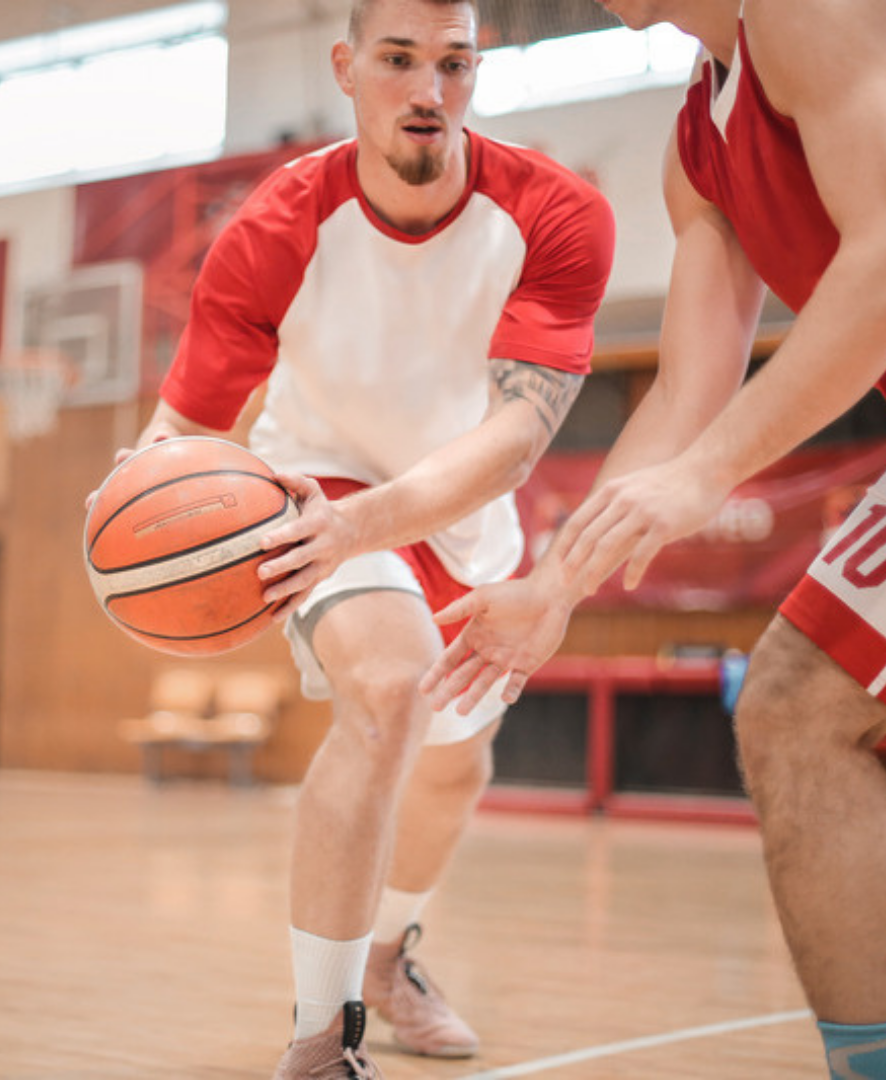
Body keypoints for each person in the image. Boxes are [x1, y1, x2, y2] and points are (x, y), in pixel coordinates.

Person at [100, 0, 614, 1074]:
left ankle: (386, 955)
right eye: (399, 61)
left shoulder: (559, 213)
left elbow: (520, 433)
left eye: (454, 63)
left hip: (468, 503)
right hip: (317, 487)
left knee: (455, 769)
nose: (429, 91)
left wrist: (379, 521)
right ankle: (318, 1037)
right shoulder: (275, 226)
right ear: (346, 67)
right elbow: (188, 421)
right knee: (393, 688)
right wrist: (133, 495)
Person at [421, 1, 886, 1075]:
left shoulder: (804, 17)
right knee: (797, 708)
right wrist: (553, 588)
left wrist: (710, 471)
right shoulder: (699, 149)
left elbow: (877, 276)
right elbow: (685, 394)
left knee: (798, 706)